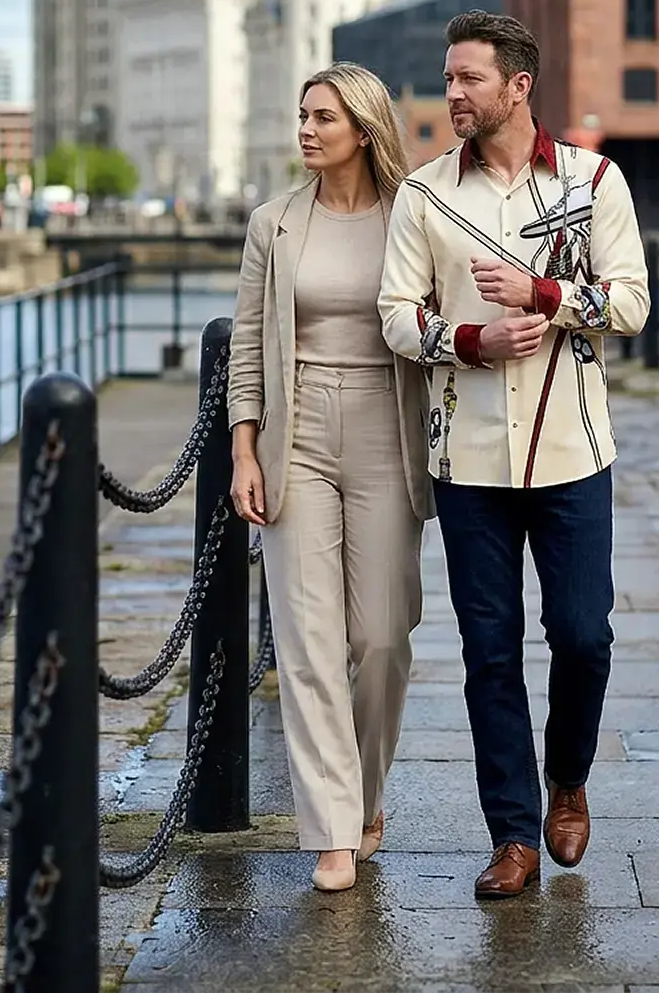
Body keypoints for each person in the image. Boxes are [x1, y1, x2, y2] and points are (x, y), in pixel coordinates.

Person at [378, 11, 649, 899]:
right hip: (468, 466)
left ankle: (567, 779)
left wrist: (548, 293)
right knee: (488, 653)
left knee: (583, 638)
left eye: (467, 79)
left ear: (517, 86)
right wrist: (471, 339)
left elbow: (632, 303)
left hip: (573, 451)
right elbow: (394, 315)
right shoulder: (424, 197)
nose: (452, 93)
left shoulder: (593, 180)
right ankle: (514, 836)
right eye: (450, 79)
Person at [228, 63, 432, 893]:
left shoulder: (413, 216)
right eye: (302, 115)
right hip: (296, 434)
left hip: (388, 429)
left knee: (381, 638)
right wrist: (246, 449)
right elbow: (247, 345)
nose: (306, 130)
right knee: (308, 643)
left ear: (364, 128)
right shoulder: (273, 225)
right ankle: (332, 831)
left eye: (323, 118)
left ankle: (365, 796)